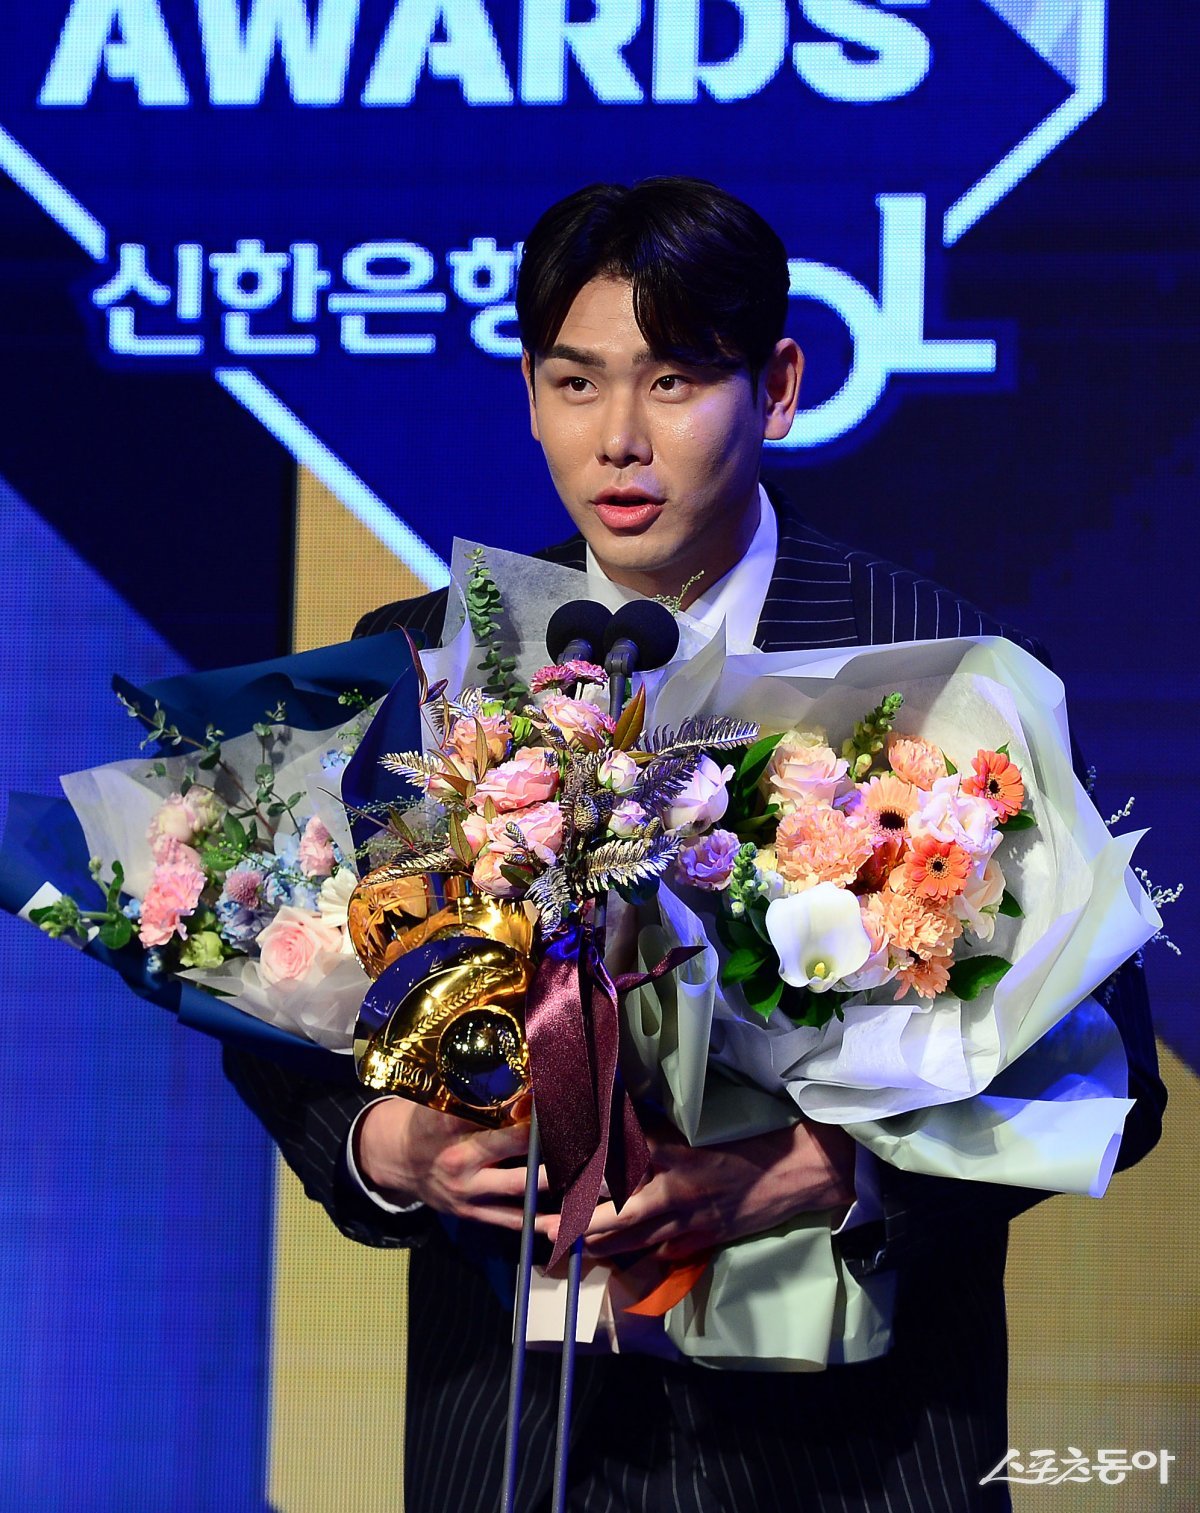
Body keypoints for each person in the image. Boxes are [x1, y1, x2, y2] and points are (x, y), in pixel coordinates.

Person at [224, 178, 1165, 1511]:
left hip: (862, 1454)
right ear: (529, 392)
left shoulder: (943, 672)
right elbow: (277, 990)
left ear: (775, 388)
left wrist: (818, 1172)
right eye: (575, 382)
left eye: (672, 381)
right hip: (521, 1442)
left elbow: (1113, 1076)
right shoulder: (423, 661)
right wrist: (391, 1146)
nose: (619, 438)